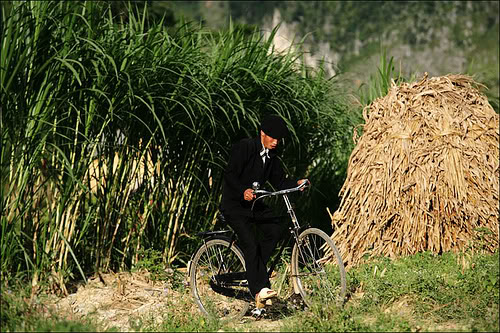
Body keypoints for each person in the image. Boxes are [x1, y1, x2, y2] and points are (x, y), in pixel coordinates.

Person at [220, 114, 308, 308]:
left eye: (278, 139)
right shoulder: (245, 147)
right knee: (250, 243)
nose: (276, 142)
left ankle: (255, 271)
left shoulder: (272, 156)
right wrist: (242, 190)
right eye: (272, 138)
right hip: (234, 205)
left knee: (275, 229)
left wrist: (296, 184)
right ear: (262, 134)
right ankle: (260, 288)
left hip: (253, 205)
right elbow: (230, 175)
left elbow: (279, 182)